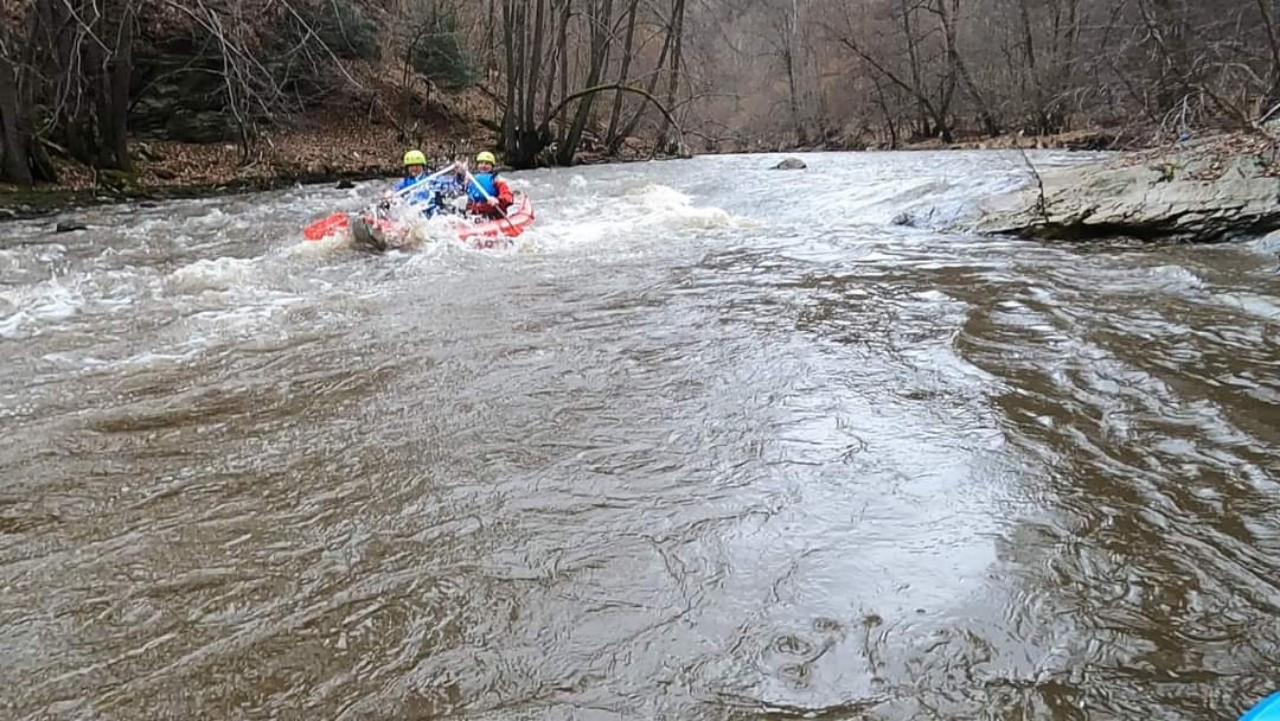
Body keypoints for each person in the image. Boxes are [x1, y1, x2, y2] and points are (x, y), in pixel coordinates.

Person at [466, 151, 514, 219]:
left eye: (487, 163)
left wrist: (498, 200)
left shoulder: (496, 180)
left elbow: (508, 196)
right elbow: (461, 189)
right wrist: (459, 175)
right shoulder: (472, 179)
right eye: (481, 163)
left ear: (492, 166)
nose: (483, 165)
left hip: (494, 214)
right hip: (476, 214)